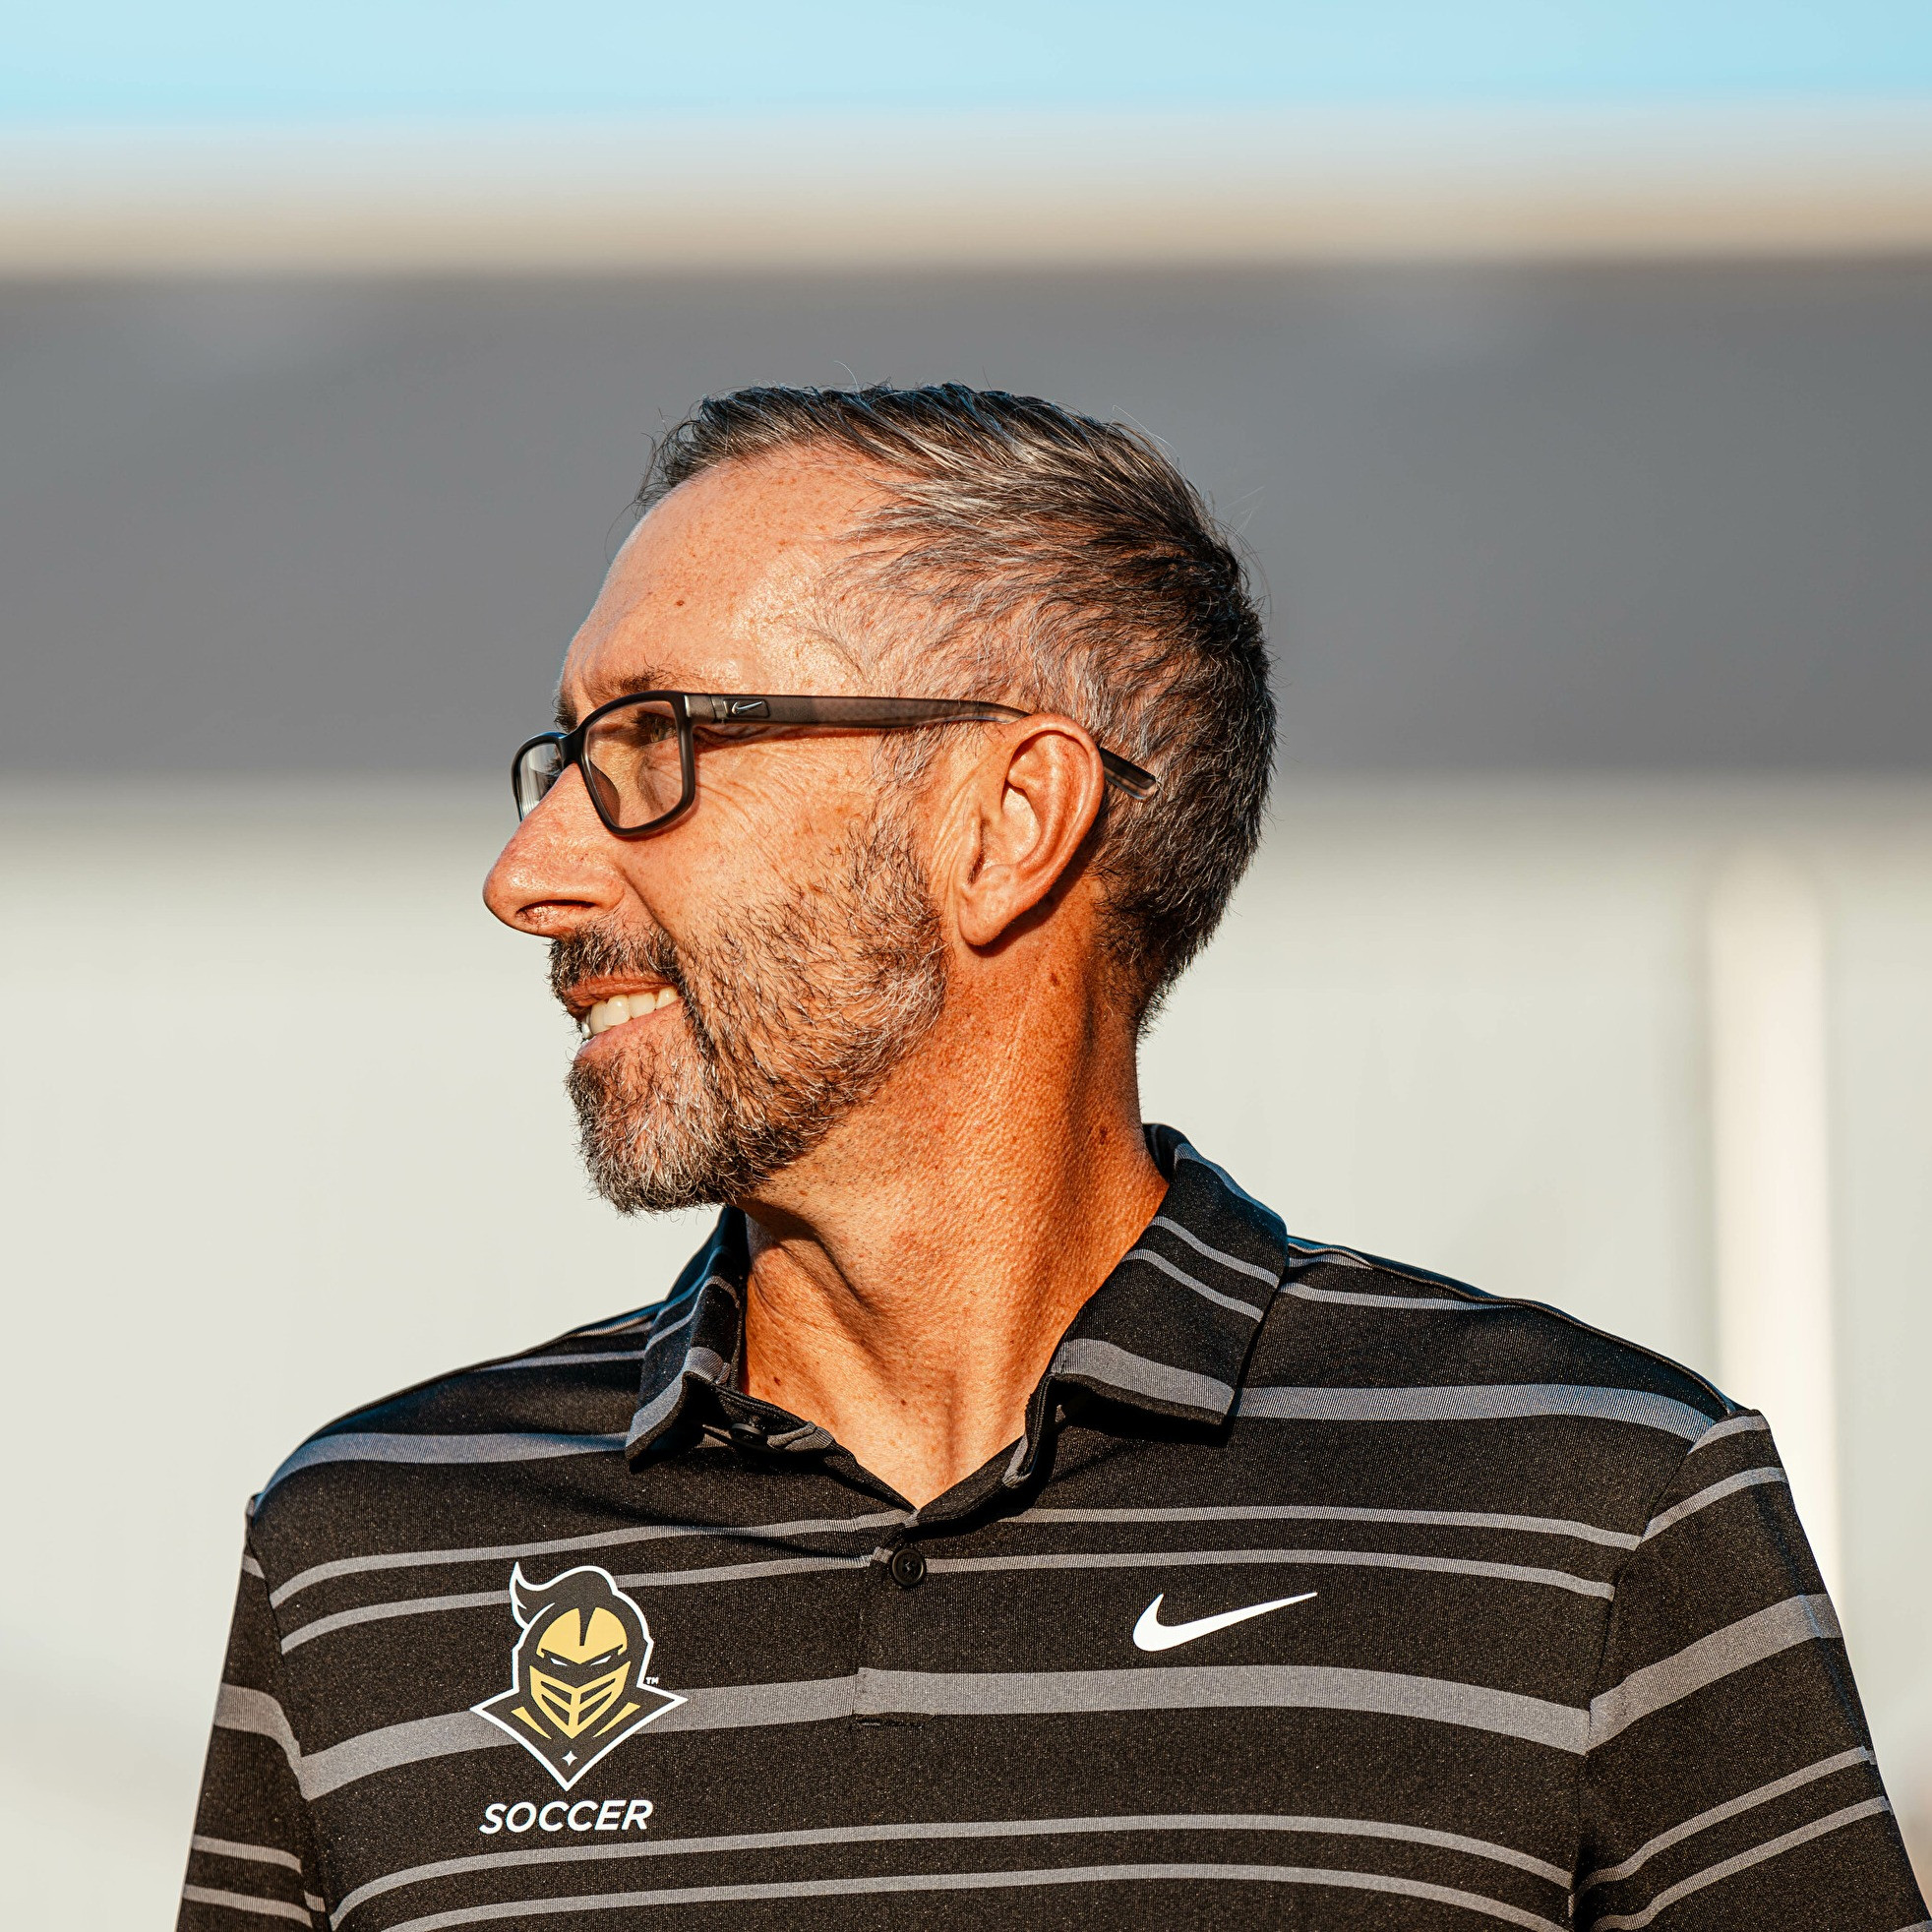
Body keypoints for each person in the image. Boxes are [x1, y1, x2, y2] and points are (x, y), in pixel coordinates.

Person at [180, 385, 1925, 1931]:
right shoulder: (365, 1561)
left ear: (1008, 822)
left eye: (655, 745)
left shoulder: (1595, 1515)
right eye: (566, 757)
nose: (528, 876)